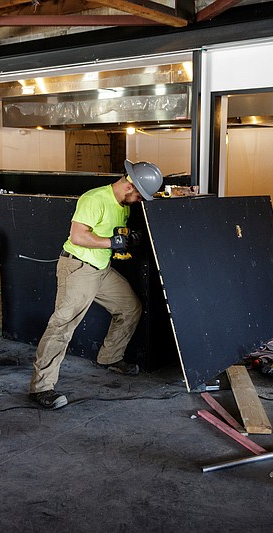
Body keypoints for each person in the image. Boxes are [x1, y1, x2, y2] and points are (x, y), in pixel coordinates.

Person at [29, 159, 164, 409]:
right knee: (62, 325)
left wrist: (126, 240)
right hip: (79, 267)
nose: (140, 201)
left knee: (130, 308)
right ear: (129, 187)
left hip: (101, 269)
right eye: (140, 196)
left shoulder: (122, 204)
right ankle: (42, 387)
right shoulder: (94, 199)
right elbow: (78, 236)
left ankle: (109, 358)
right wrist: (112, 243)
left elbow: (112, 235)